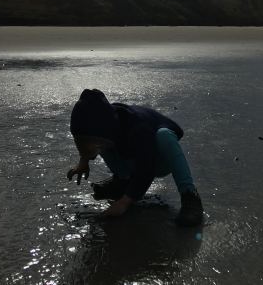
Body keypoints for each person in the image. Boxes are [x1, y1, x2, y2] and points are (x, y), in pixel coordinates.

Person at [67, 88, 203, 226]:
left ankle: (190, 195)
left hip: (159, 159)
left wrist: (124, 203)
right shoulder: (105, 117)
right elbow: (90, 137)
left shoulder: (138, 126)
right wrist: (84, 160)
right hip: (132, 155)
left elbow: (146, 170)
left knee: (164, 136)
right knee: (102, 143)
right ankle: (124, 182)